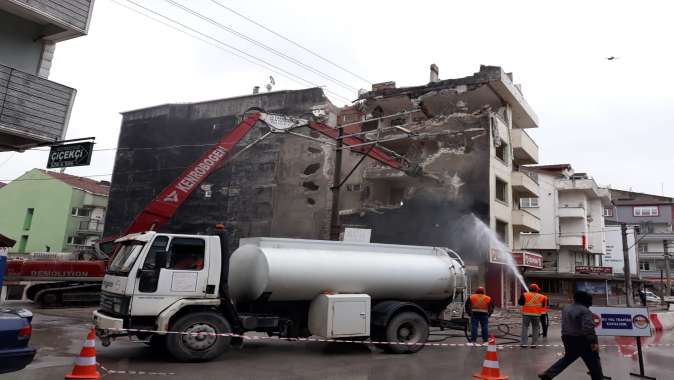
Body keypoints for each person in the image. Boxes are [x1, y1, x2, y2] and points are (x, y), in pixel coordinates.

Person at [538, 291, 604, 380]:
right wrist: (593, 341)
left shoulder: (566, 308)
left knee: (568, 358)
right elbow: (588, 328)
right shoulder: (585, 311)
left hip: (567, 337)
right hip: (581, 339)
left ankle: (549, 374)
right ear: (585, 300)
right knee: (593, 360)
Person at [519, 283, 547, 347]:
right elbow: (542, 305)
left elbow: (520, 303)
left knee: (525, 328)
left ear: (529, 289)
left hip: (526, 314)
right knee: (535, 328)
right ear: (537, 289)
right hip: (536, 315)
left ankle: (524, 343)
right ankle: (534, 344)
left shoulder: (524, 294)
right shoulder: (542, 296)